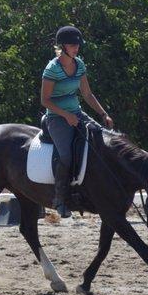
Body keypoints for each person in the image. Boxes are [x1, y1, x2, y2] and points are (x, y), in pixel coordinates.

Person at [40, 25, 114, 218]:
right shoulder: (52, 69)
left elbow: (87, 94)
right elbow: (45, 100)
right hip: (56, 118)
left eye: (78, 45)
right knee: (66, 155)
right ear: (63, 46)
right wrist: (66, 115)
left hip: (77, 112)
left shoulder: (79, 64)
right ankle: (59, 199)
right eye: (73, 45)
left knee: (102, 140)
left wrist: (103, 114)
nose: (77, 48)